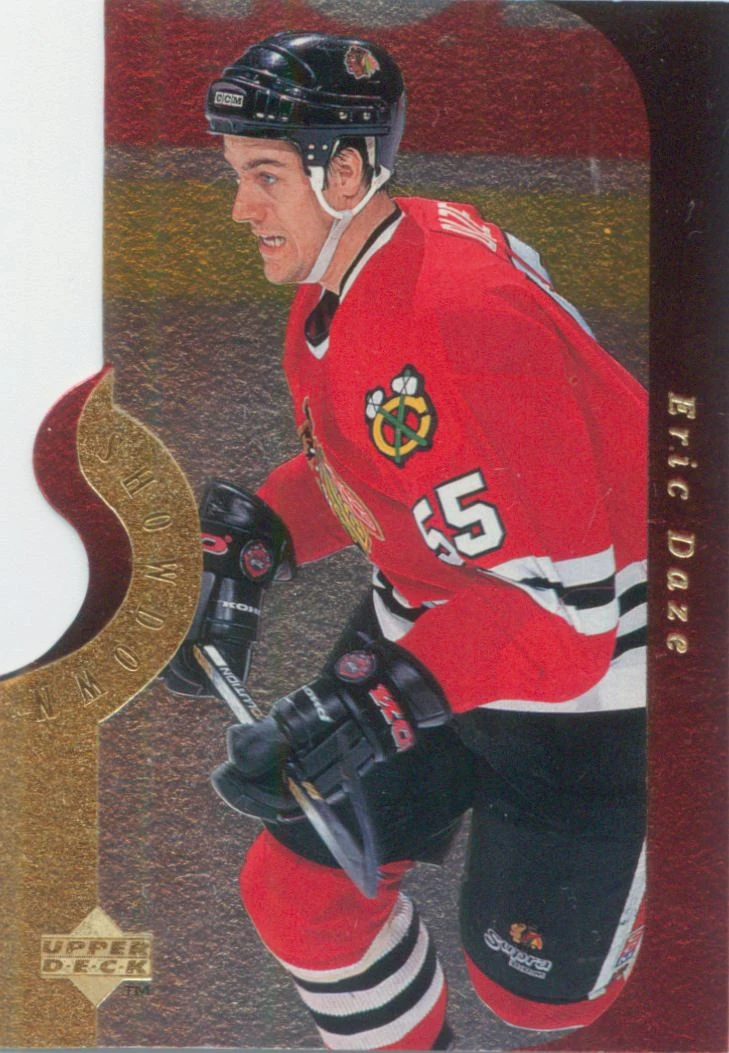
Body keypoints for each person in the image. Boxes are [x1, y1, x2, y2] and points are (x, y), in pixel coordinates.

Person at [163, 31, 647, 1050]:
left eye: (263, 176)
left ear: (344, 174)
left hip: (600, 683)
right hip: (451, 625)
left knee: (539, 995)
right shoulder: (347, 275)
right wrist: (261, 540)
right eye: (237, 173)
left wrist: (369, 707)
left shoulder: (465, 320)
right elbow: (389, 474)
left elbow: (567, 624)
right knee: (301, 898)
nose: (240, 207)